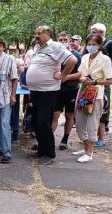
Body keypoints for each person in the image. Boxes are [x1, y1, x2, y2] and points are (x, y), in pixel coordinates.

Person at [26, 26, 77, 164]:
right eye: (35, 33)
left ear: (48, 34)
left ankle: (49, 154)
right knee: (36, 122)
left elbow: (72, 60)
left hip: (48, 92)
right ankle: (41, 150)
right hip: (36, 91)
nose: (36, 35)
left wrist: (63, 75)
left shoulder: (55, 46)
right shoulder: (38, 48)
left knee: (43, 121)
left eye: (39, 33)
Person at [73, 35, 112, 163]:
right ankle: (85, 147)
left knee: (92, 125)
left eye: (94, 44)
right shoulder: (84, 57)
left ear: (100, 46)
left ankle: (89, 152)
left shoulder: (105, 59)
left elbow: (110, 80)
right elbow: (80, 74)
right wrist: (82, 79)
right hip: (83, 93)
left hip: (96, 95)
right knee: (79, 123)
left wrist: (95, 81)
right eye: (89, 44)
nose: (91, 47)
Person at [89, 23, 112, 147]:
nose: (91, 33)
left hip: (103, 83)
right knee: (89, 109)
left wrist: (105, 67)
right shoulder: (91, 45)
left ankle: (100, 138)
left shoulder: (110, 44)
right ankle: (90, 137)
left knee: (102, 109)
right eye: (91, 31)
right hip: (89, 84)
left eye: (94, 31)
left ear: (101, 33)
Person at [53, 32, 82, 150]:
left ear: (69, 40)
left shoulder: (76, 55)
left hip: (71, 89)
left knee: (69, 114)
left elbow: (81, 73)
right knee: (54, 114)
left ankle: (65, 139)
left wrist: (65, 78)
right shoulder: (54, 55)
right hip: (56, 89)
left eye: (65, 39)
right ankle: (49, 139)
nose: (63, 41)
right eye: (60, 39)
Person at [0, 38, 19, 163]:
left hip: (5, 97)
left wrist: (13, 95)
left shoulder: (10, 59)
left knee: (4, 124)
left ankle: (7, 152)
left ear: (3, 47)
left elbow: (14, 78)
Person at [11, 58, 27, 141]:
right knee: (14, 113)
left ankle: (15, 133)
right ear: (17, 67)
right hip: (13, 96)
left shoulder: (23, 73)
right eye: (22, 65)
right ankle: (14, 133)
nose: (24, 66)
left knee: (15, 112)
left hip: (18, 95)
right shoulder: (14, 74)